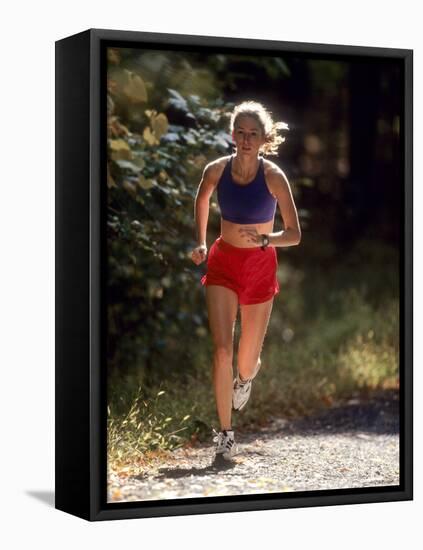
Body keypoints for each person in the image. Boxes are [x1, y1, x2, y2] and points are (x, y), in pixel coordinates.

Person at [191, 100, 301, 461]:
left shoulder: (273, 177)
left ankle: (246, 378)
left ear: (264, 138)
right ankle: (225, 433)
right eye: (241, 132)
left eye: (254, 134)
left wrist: (269, 239)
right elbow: (202, 197)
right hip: (223, 263)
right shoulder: (216, 170)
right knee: (222, 351)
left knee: (244, 361)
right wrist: (201, 241)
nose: (246, 139)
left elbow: (295, 234)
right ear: (232, 134)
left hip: (259, 267)